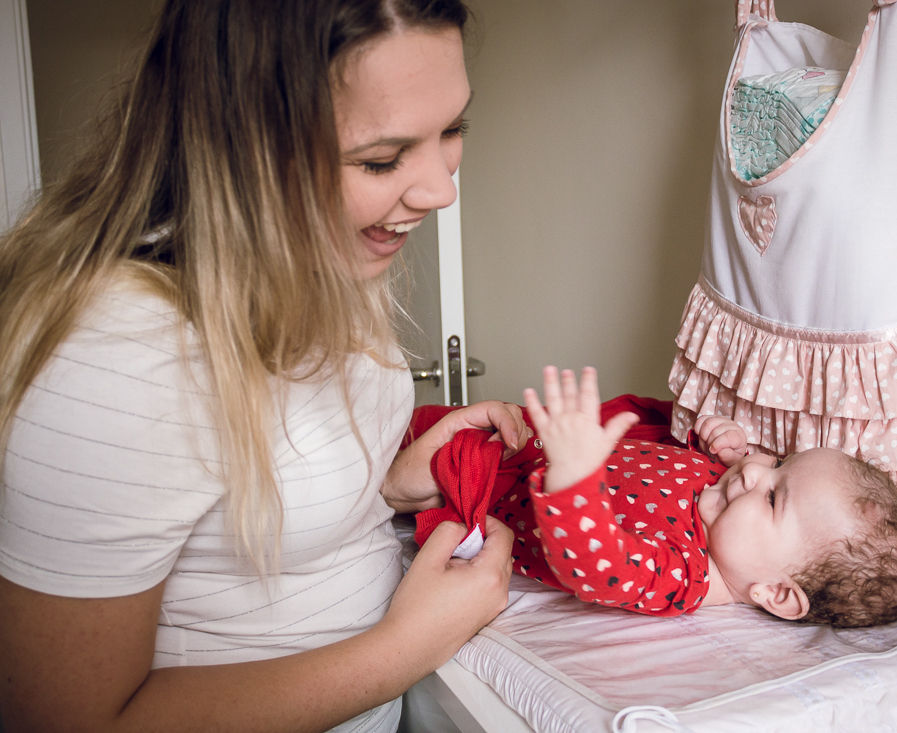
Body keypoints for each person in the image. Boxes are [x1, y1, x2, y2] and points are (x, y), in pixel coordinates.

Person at [0, 2, 530, 731]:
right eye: (381, 159)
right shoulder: (117, 353)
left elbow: (242, 514)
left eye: (453, 130)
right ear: (244, 151)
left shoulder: (321, 261)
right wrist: (406, 647)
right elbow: (68, 719)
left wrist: (388, 484)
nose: (441, 189)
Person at [488, 366, 897, 628]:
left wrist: (574, 480)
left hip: (490, 494)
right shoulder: (726, 490)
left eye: (774, 498)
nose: (755, 471)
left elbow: (599, 566)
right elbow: (665, 470)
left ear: (777, 593)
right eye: (779, 463)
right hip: (521, 447)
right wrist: (714, 446)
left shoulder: (685, 576)